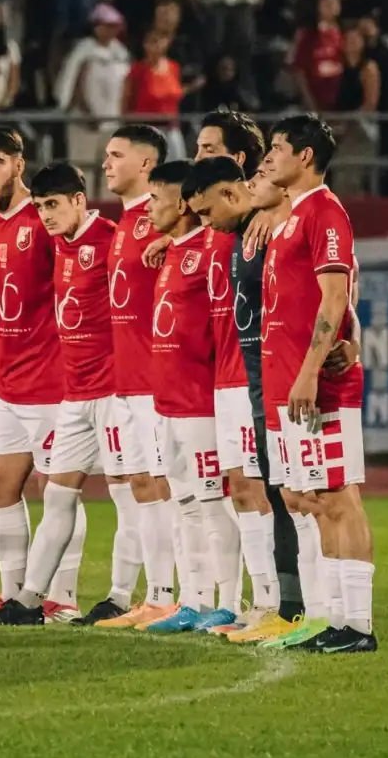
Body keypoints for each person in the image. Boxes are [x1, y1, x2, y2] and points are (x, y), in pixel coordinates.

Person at [184, 152, 357, 648]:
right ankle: (296, 608)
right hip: (264, 380)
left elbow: (338, 286)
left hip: (281, 378)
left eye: (204, 212)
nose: (204, 223)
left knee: (306, 498)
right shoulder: (250, 233)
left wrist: (353, 336)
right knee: (288, 495)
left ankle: (305, 609)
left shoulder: (286, 226)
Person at [0, 162, 132, 626]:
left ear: (79, 201)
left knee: (132, 495)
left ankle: (126, 597)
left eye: (54, 205)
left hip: (114, 392)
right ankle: (30, 601)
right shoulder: (62, 247)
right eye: (41, 206)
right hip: (75, 393)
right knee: (59, 495)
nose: (45, 215)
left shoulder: (110, 239)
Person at [263, 115, 375, 653]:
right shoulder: (293, 216)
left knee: (339, 498)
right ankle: (335, 620)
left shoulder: (325, 213)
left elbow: (335, 299)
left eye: (277, 148)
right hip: (292, 383)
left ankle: (359, 626)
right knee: (312, 500)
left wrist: (309, 371)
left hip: (319, 385)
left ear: (304, 157)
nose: (269, 157)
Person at [0, 126, 87, 622]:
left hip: (48, 379)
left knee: (55, 487)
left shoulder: (42, 219)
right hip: (8, 379)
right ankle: (15, 591)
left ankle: (60, 595)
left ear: (18, 164)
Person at [93, 123, 182, 631]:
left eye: (116, 155)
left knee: (167, 486)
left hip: (157, 380)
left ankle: (177, 594)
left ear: (146, 164)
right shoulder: (126, 223)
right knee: (141, 485)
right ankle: (159, 595)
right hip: (125, 380)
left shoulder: (167, 220)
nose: (106, 163)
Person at [143, 159, 230, 633]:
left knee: (214, 502)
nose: (148, 209)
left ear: (180, 204)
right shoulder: (174, 250)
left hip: (201, 399)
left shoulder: (213, 247)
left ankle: (232, 601)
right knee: (183, 503)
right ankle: (194, 600)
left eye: (155, 199)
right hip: (167, 401)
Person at [55, 3, 131, 184]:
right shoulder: (84, 50)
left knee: (111, 175)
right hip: (85, 123)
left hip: (112, 123)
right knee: (84, 173)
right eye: (105, 25)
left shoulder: (120, 52)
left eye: (114, 26)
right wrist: (87, 114)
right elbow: (75, 84)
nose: (110, 30)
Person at [120, 29, 186, 158]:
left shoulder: (174, 67)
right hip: (147, 130)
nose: (157, 46)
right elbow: (125, 102)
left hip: (172, 129)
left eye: (161, 41)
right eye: (152, 42)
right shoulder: (137, 70)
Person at [332, 26, 380, 197]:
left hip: (361, 129)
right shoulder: (338, 67)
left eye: (355, 39)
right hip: (338, 130)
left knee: (350, 178)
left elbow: (370, 103)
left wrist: (349, 122)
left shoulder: (368, 68)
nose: (351, 43)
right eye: (348, 39)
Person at [290, 0, 344, 112]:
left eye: (334, 2)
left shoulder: (346, 35)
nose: (330, 5)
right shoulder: (307, 36)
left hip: (342, 101)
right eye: (326, 2)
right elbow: (299, 72)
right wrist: (311, 106)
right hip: (314, 100)